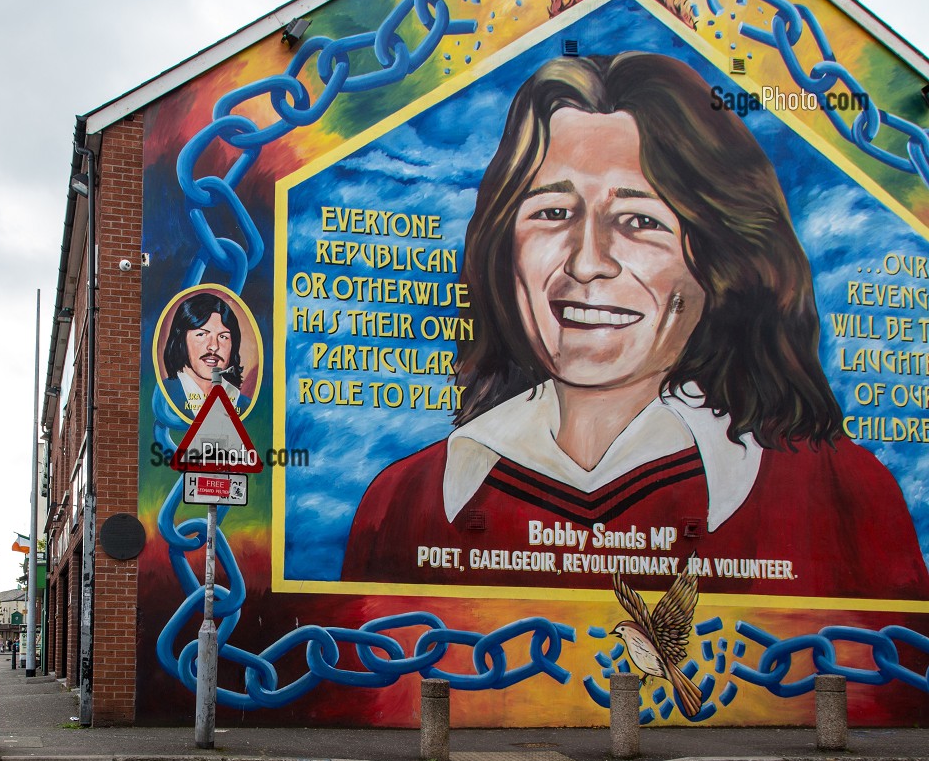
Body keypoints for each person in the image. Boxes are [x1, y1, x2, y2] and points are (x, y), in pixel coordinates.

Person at [342, 52, 929, 600]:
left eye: (638, 220)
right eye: (551, 213)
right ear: (504, 249)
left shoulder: (841, 494)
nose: (587, 261)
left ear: (720, 259)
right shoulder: (406, 502)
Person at [161, 288, 248, 417]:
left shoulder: (244, 404)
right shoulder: (163, 396)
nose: (214, 346)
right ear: (181, 340)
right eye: (202, 334)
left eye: (223, 337)